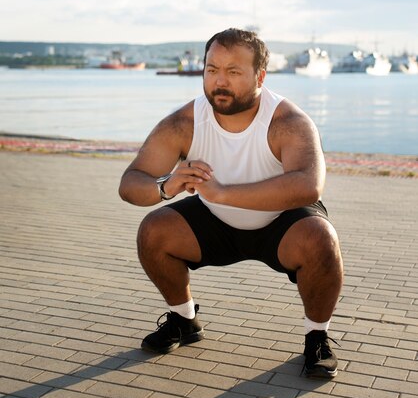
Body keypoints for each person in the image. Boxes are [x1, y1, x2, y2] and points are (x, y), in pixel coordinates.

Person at [119, 28, 344, 378]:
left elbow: (308, 186)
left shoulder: (287, 121)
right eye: (212, 70)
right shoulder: (184, 122)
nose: (220, 81)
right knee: (154, 230)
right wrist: (167, 184)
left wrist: (224, 193)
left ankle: (317, 338)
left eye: (234, 72)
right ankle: (184, 320)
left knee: (322, 238)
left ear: (260, 76)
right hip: (215, 218)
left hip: (279, 222)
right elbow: (131, 183)